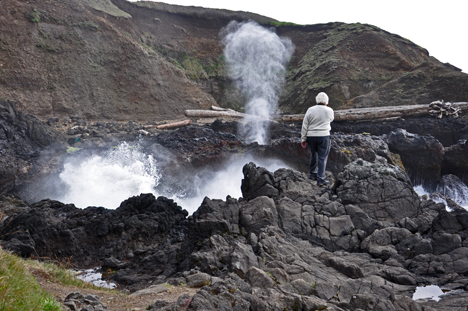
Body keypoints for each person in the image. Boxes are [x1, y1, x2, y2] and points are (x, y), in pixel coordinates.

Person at [301, 92, 334, 186]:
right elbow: (331, 119)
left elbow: (305, 124)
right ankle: (321, 179)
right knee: (322, 158)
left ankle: (312, 173)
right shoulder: (330, 110)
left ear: (317, 100)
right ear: (326, 101)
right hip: (324, 136)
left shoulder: (310, 110)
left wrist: (303, 138)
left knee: (314, 154)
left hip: (311, 136)